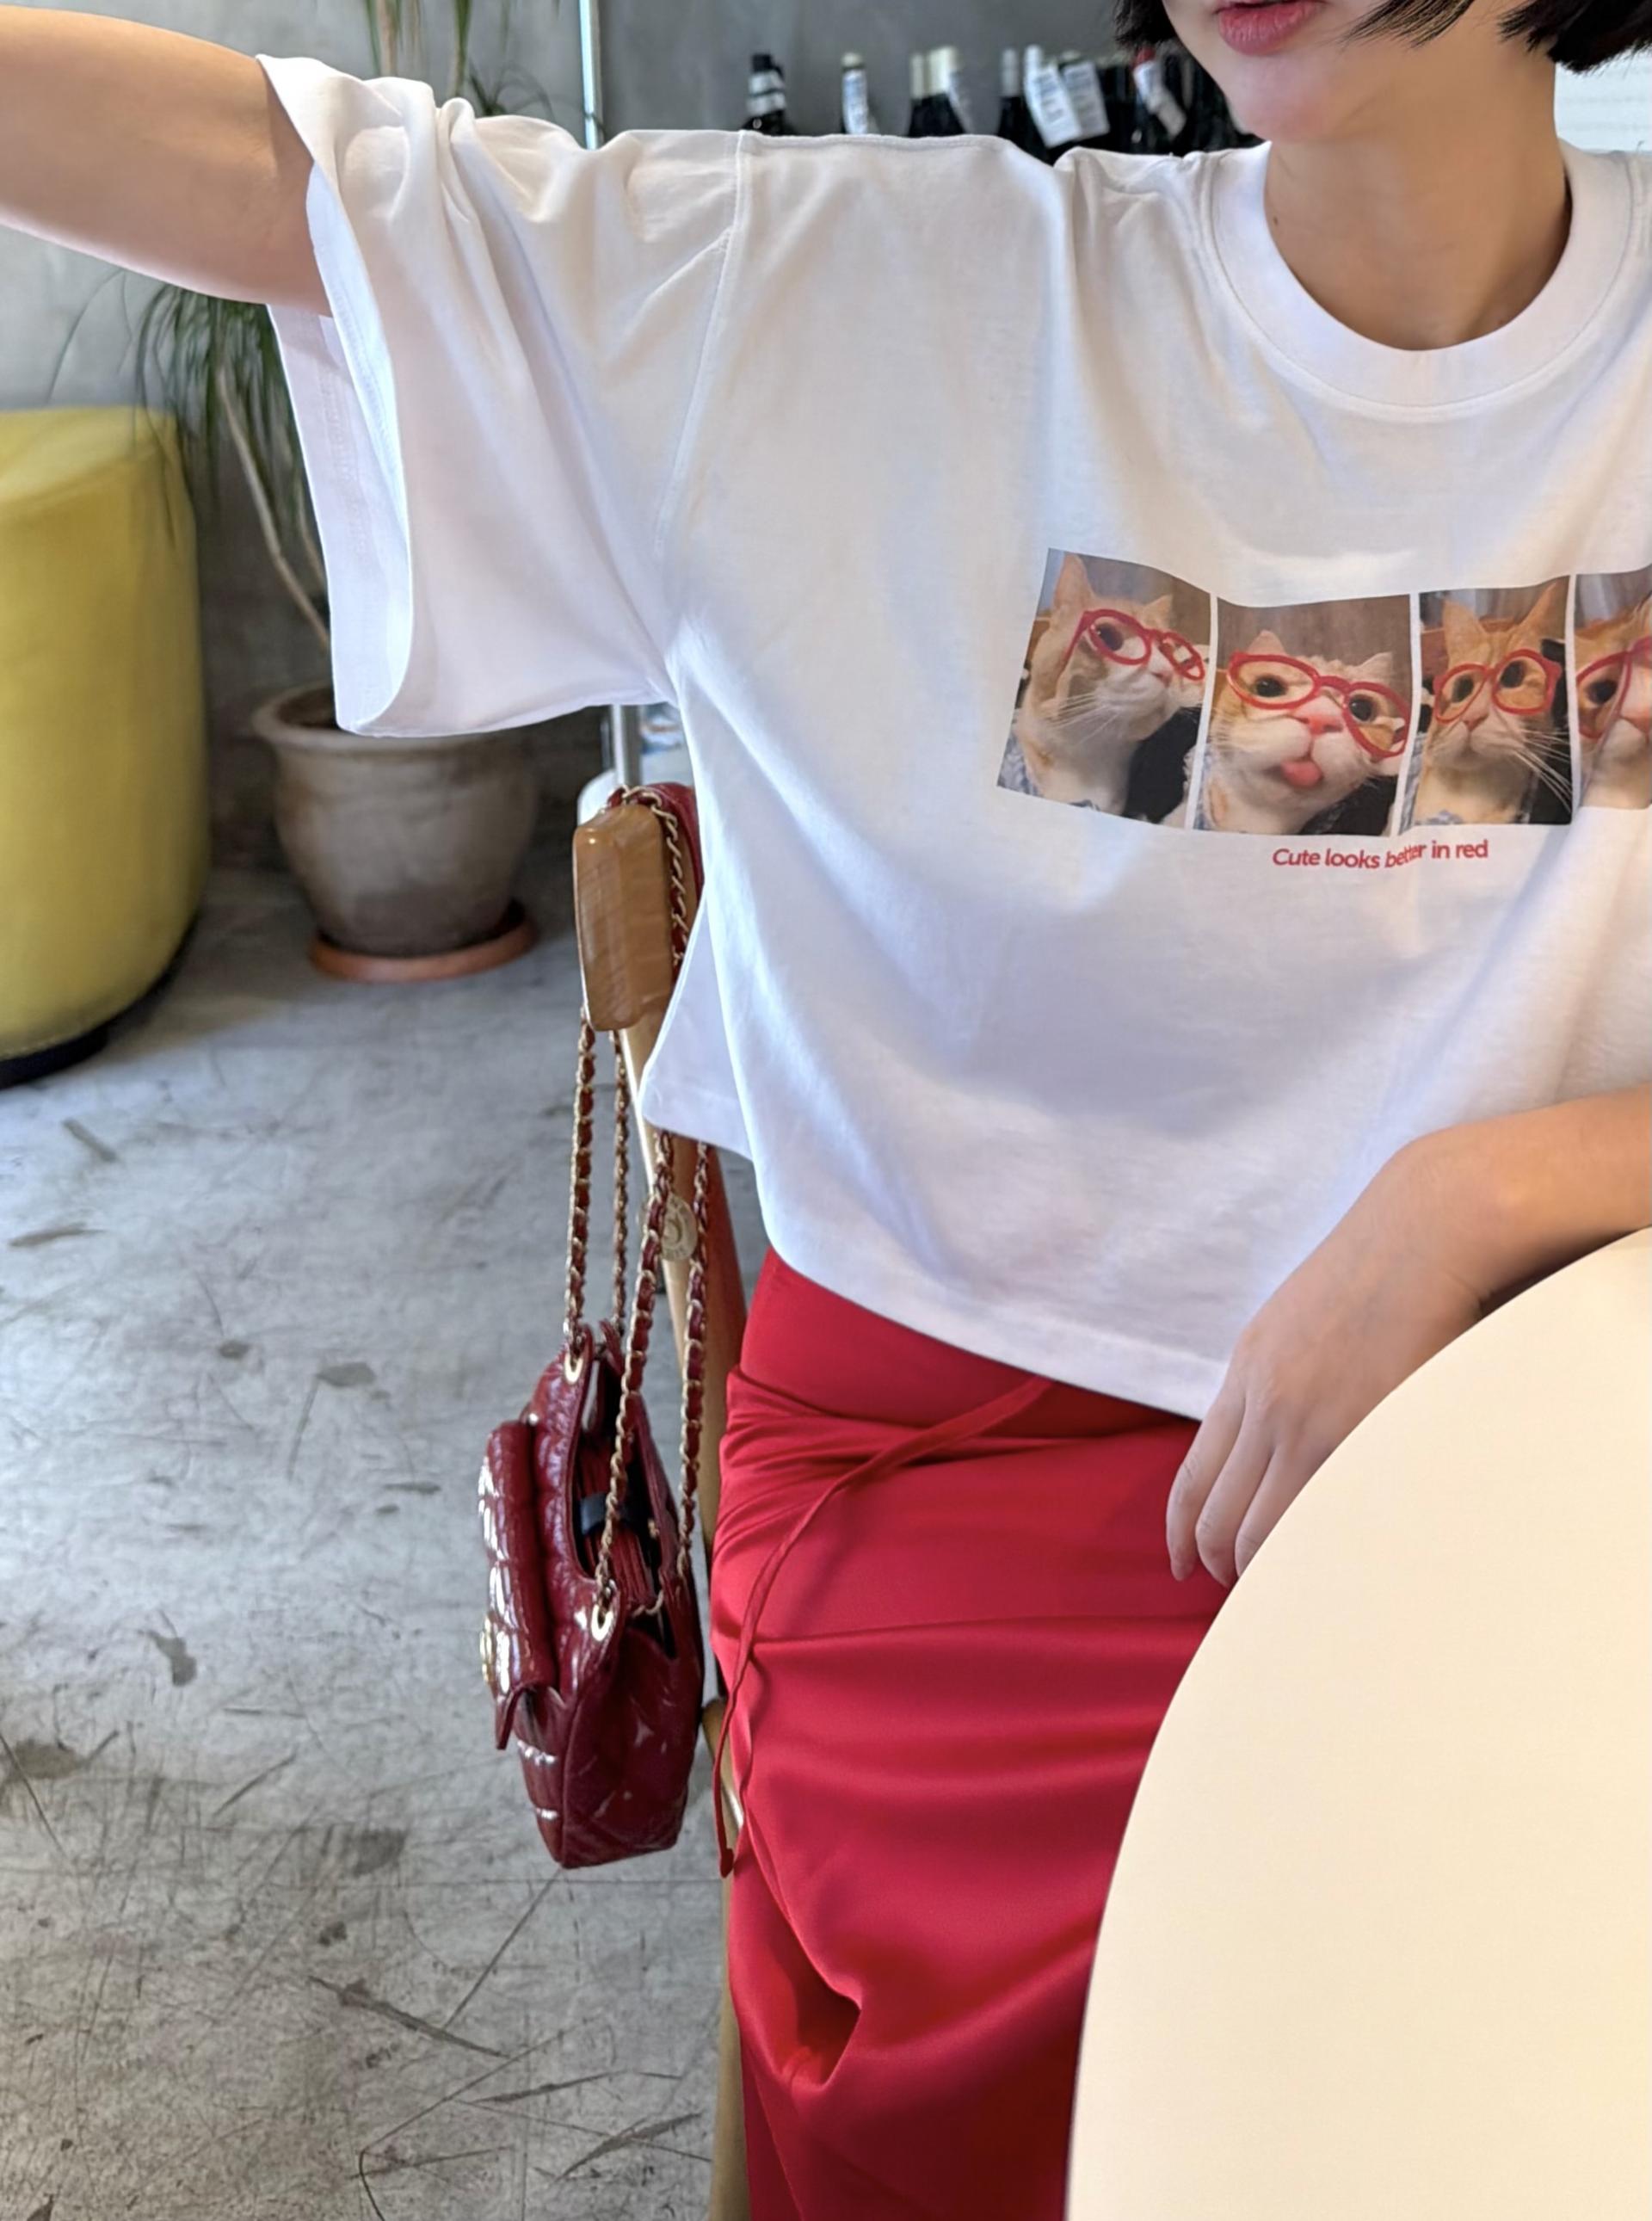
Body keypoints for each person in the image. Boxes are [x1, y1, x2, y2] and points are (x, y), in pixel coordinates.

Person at [3, 1, 1649, 2212]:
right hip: (972, 1452)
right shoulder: (884, 301)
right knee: (1194, 2041)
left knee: (1534, 2029)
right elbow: (312, 188)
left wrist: (1494, 1188)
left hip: (1558, 1415)